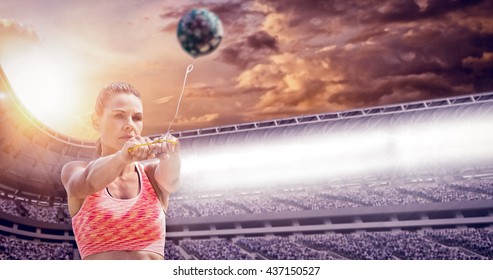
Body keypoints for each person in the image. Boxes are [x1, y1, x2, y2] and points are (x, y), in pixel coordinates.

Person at [61, 82, 180, 260]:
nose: (130, 125)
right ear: (96, 121)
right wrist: (122, 157)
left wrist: (172, 155)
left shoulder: (151, 175)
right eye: (119, 116)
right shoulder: (75, 169)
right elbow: (86, 183)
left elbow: (172, 181)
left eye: (137, 117)